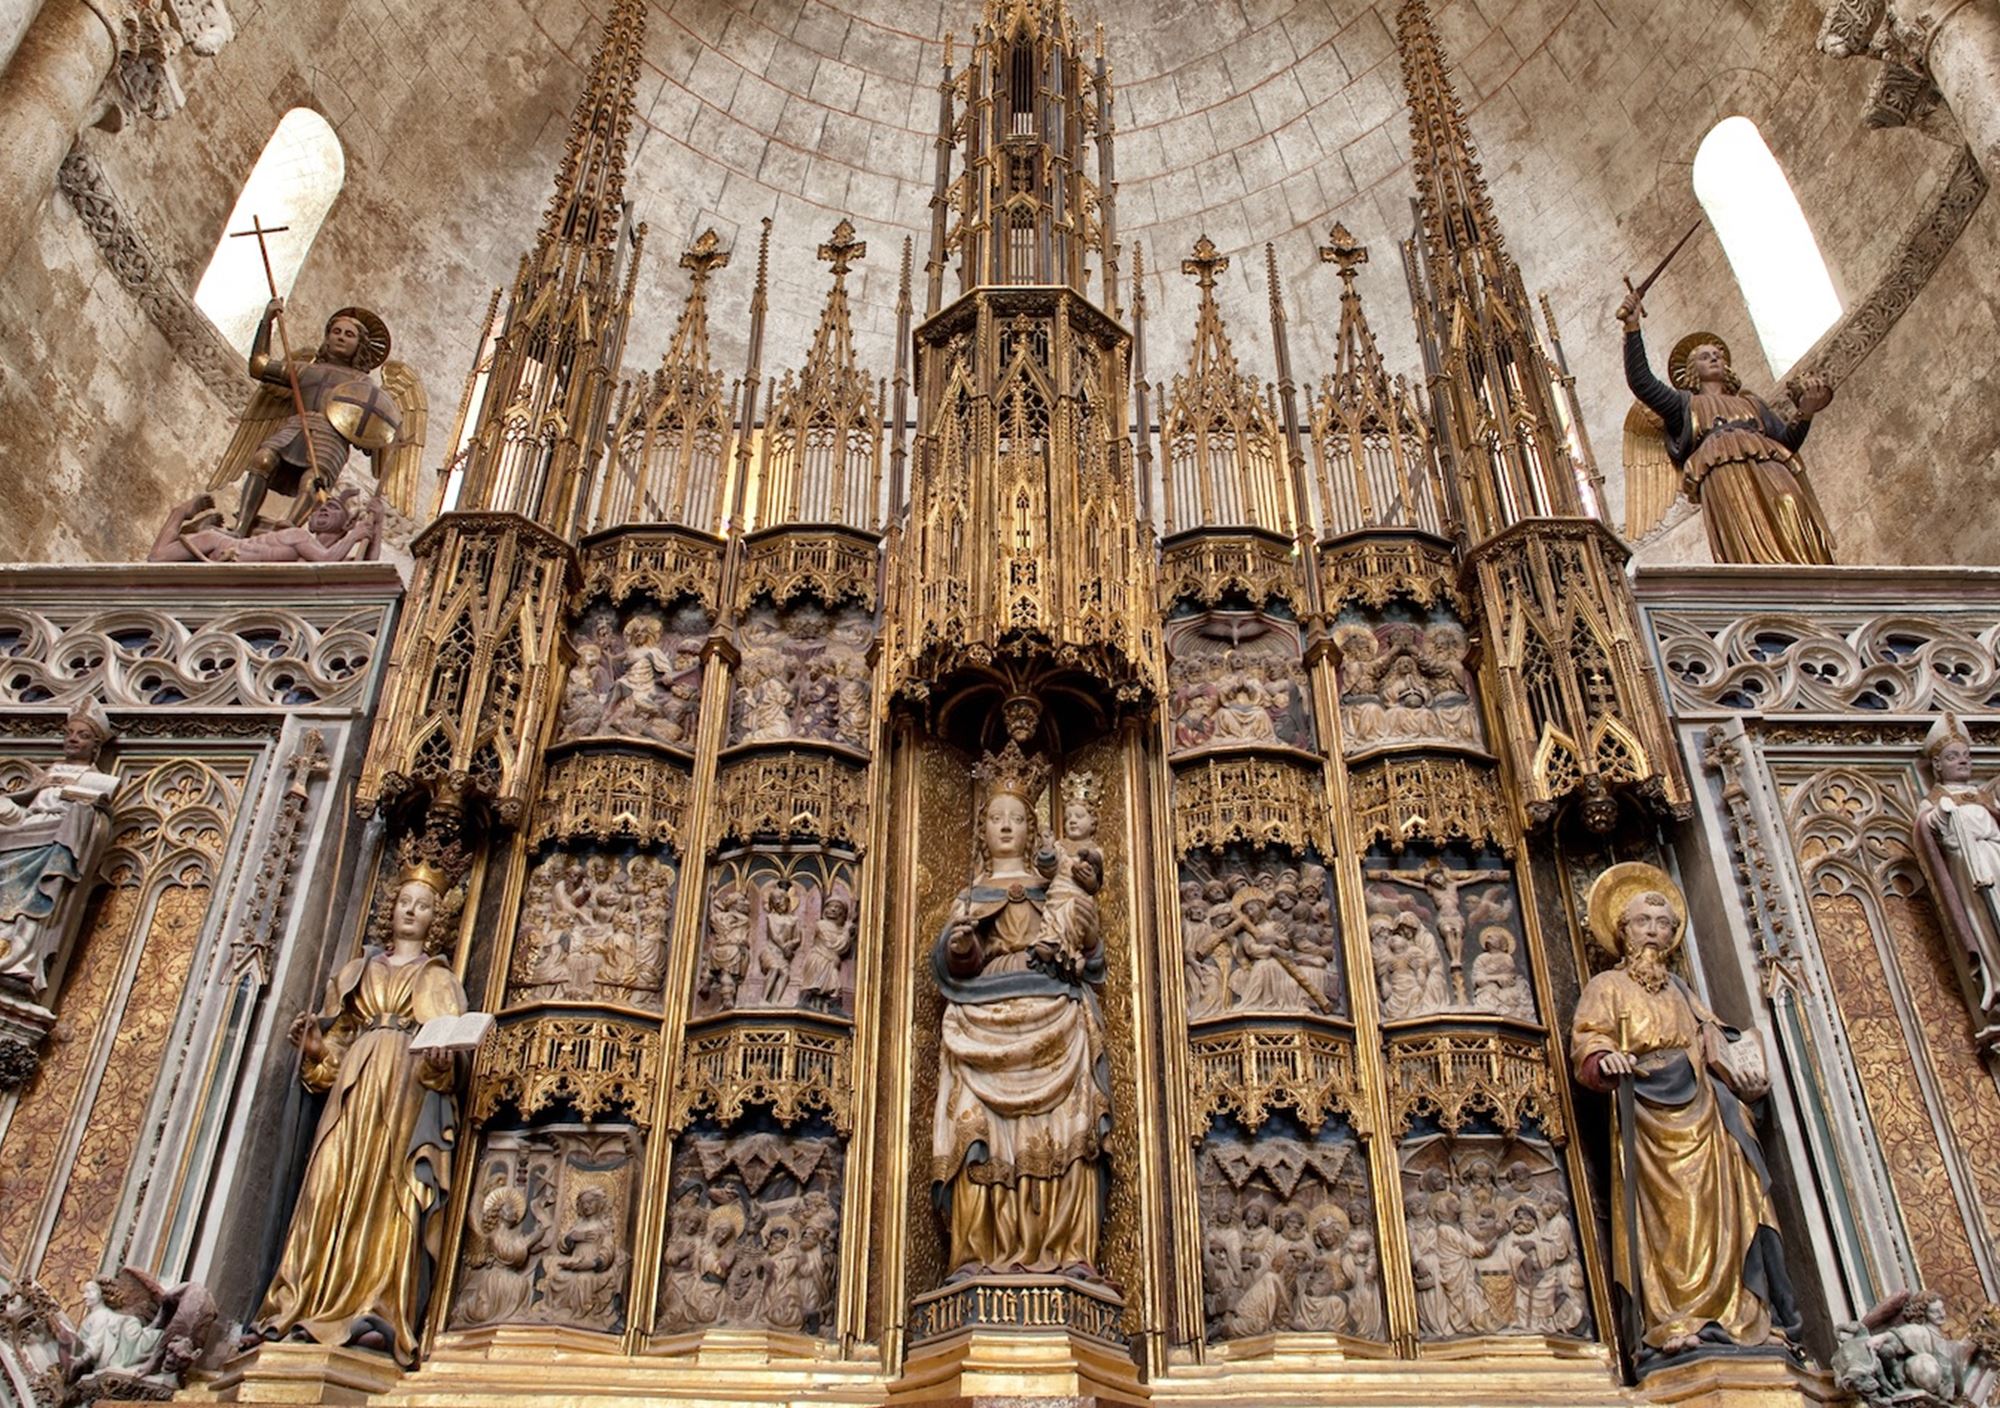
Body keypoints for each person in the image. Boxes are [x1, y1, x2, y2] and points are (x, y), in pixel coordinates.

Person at [1572, 862, 1799, 1359]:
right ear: (1621, 930)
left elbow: (1715, 1038)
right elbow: (1587, 1039)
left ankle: (1742, 1317)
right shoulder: (1607, 987)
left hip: (1704, 1112)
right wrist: (1603, 1056)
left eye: (1664, 925)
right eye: (1642, 923)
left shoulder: (1681, 990)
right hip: (1650, 1120)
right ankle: (1674, 1318)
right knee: (1671, 1229)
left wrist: (1743, 1071)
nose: (1654, 933)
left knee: (1732, 1209)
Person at [257, 865, 467, 1363]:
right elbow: (332, 1054)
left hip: (404, 1091)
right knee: (326, 1186)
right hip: (353, 1089)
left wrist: (441, 1063)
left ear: (438, 919)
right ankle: (301, 1303)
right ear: (389, 908)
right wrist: (315, 1051)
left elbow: (451, 1056)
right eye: (405, 901)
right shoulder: (357, 974)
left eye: (424, 905)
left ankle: (375, 1308)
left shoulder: (437, 978)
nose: (412, 911)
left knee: (388, 1192)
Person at [932, 742, 1111, 1278]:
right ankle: (979, 1252)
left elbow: (1091, 950)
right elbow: (952, 963)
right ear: (982, 829)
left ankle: (1064, 1252)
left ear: (1033, 830)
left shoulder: (1055, 888)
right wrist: (963, 945)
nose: (1006, 826)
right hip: (979, 1024)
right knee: (979, 1136)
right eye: (996, 817)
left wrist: (1075, 928)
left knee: (1058, 1135)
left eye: (1017, 818)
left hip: (1053, 1018)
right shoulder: (970, 895)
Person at [1616, 289, 1833, 565]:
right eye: (1705, 356)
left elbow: (1787, 442)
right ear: (1692, 370)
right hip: (1723, 474)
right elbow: (1642, 382)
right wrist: (1632, 327)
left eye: (1718, 354)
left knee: (1790, 503)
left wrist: (1806, 412)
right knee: (1742, 521)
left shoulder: (1751, 403)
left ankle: (1813, 573)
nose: (1715, 358)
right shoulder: (1684, 405)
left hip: (1771, 466)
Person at [236, 300, 397, 534]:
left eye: (349, 335)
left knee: (314, 479)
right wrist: (266, 321)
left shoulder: (362, 384)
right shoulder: (304, 369)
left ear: (360, 345)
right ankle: (240, 527)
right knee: (262, 459)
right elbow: (259, 365)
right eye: (336, 332)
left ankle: (288, 529)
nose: (341, 337)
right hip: (297, 425)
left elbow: (374, 426)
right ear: (327, 337)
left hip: (330, 437)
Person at [0, 698, 116, 995]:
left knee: (32, 906)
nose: (73, 739)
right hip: (21, 840)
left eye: (83, 735)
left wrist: (77, 814)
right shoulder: (48, 775)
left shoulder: (96, 781)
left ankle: (18, 958)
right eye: (69, 733)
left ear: (96, 747)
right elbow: (25, 812)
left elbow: (87, 823)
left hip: (49, 849)